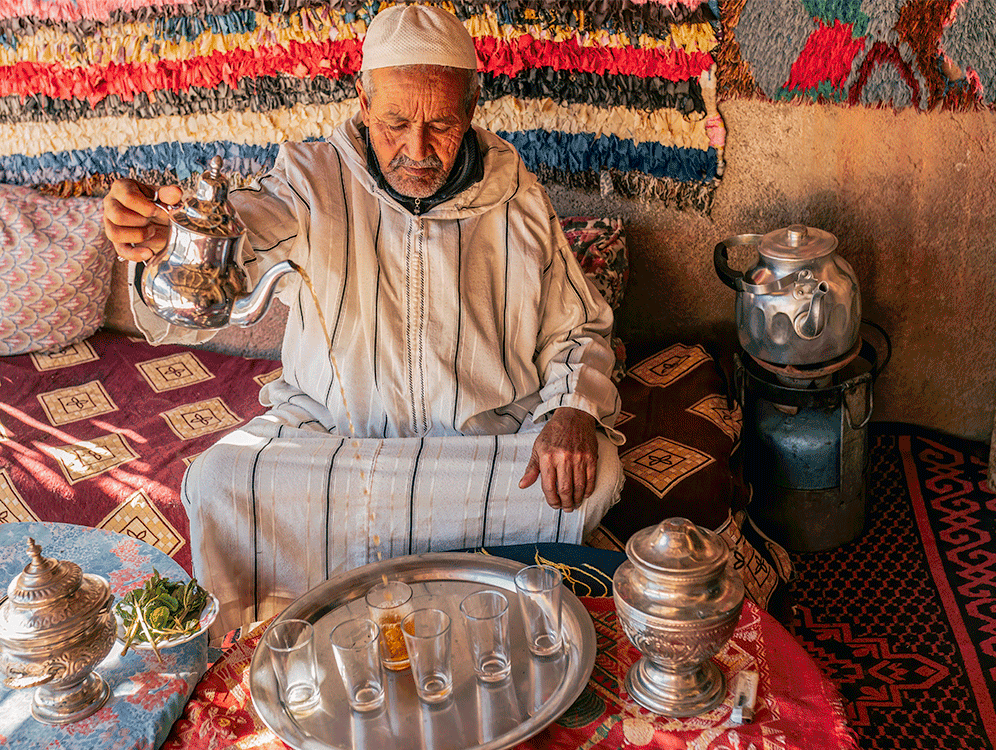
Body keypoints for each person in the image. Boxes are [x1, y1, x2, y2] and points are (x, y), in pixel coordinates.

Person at [103, 4, 624, 632]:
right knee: (219, 478)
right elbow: (247, 230)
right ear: (362, 102)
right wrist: (172, 239)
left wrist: (570, 410)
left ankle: (433, 607)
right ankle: (282, 641)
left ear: (472, 111)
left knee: (594, 477)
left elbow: (580, 329)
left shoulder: (517, 199)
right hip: (333, 440)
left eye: (441, 124)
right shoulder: (311, 181)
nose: (416, 148)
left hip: (475, 447)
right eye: (396, 122)